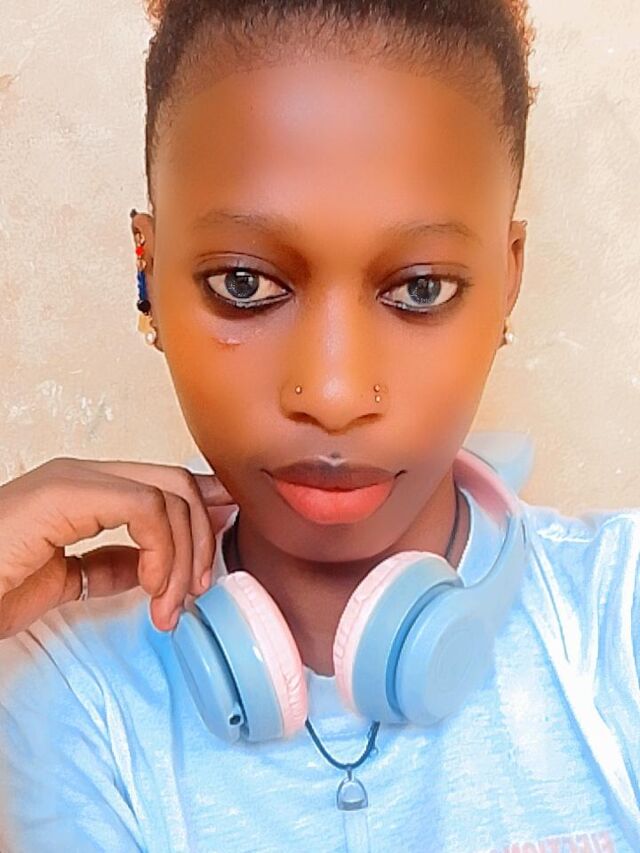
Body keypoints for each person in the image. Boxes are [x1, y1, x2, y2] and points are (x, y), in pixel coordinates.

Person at [0, 0, 638, 850]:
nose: (334, 395)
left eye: (421, 289)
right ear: (147, 271)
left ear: (508, 281)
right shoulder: (59, 684)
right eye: (243, 284)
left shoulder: (621, 618)